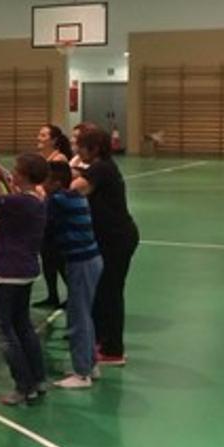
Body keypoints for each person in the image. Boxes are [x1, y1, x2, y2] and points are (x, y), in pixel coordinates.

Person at [0, 152, 49, 406]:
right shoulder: (36, 200)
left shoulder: (20, 203)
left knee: (3, 330)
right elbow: (6, 203)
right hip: (25, 272)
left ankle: (23, 384)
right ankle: (38, 380)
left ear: (24, 175)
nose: (12, 173)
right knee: (23, 326)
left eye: (16, 170)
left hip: (8, 274)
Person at [71, 127, 139, 367]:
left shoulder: (102, 168)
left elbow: (77, 187)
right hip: (109, 238)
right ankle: (103, 339)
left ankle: (113, 350)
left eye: (81, 146)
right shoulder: (100, 167)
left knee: (110, 293)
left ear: (95, 149)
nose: (77, 150)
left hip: (117, 239)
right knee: (102, 292)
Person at [43, 162, 103, 388]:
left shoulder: (57, 201)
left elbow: (37, 213)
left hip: (82, 263)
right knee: (84, 314)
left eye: (45, 180)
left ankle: (81, 374)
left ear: (57, 183)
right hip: (90, 260)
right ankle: (89, 364)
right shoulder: (73, 195)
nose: (42, 184)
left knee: (78, 317)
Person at [35, 125, 73, 309]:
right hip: (45, 212)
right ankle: (52, 295)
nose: (39, 137)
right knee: (47, 258)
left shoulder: (59, 160)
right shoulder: (42, 159)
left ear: (53, 140)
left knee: (59, 259)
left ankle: (72, 294)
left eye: (43, 135)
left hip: (56, 214)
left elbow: (60, 186)